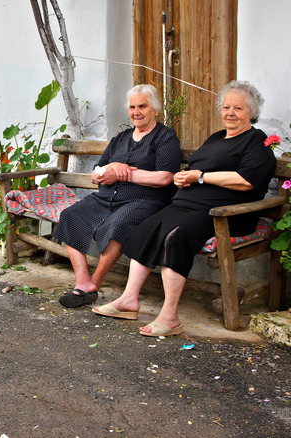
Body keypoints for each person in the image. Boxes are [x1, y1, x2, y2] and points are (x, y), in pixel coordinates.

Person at [94, 80, 277, 336]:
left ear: (252, 113)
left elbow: (246, 182)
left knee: (174, 236)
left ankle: (169, 317)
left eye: (238, 108)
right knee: (146, 229)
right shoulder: (216, 138)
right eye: (226, 107)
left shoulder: (256, 142)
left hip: (224, 213)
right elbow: (197, 170)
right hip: (186, 204)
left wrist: (200, 177)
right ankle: (128, 300)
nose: (230, 113)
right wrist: (184, 176)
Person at [54, 84, 182, 308]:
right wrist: (112, 166)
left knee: (118, 225)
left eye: (142, 106)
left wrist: (126, 175)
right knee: (70, 215)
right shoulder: (120, 139)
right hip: (106, 198)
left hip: (145, 200)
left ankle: (94, 283)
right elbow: (96, 174)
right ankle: (83, 281)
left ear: (155, 109)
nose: (136, 112)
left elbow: (164, 178)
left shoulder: (165, 137)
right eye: (132, 107)